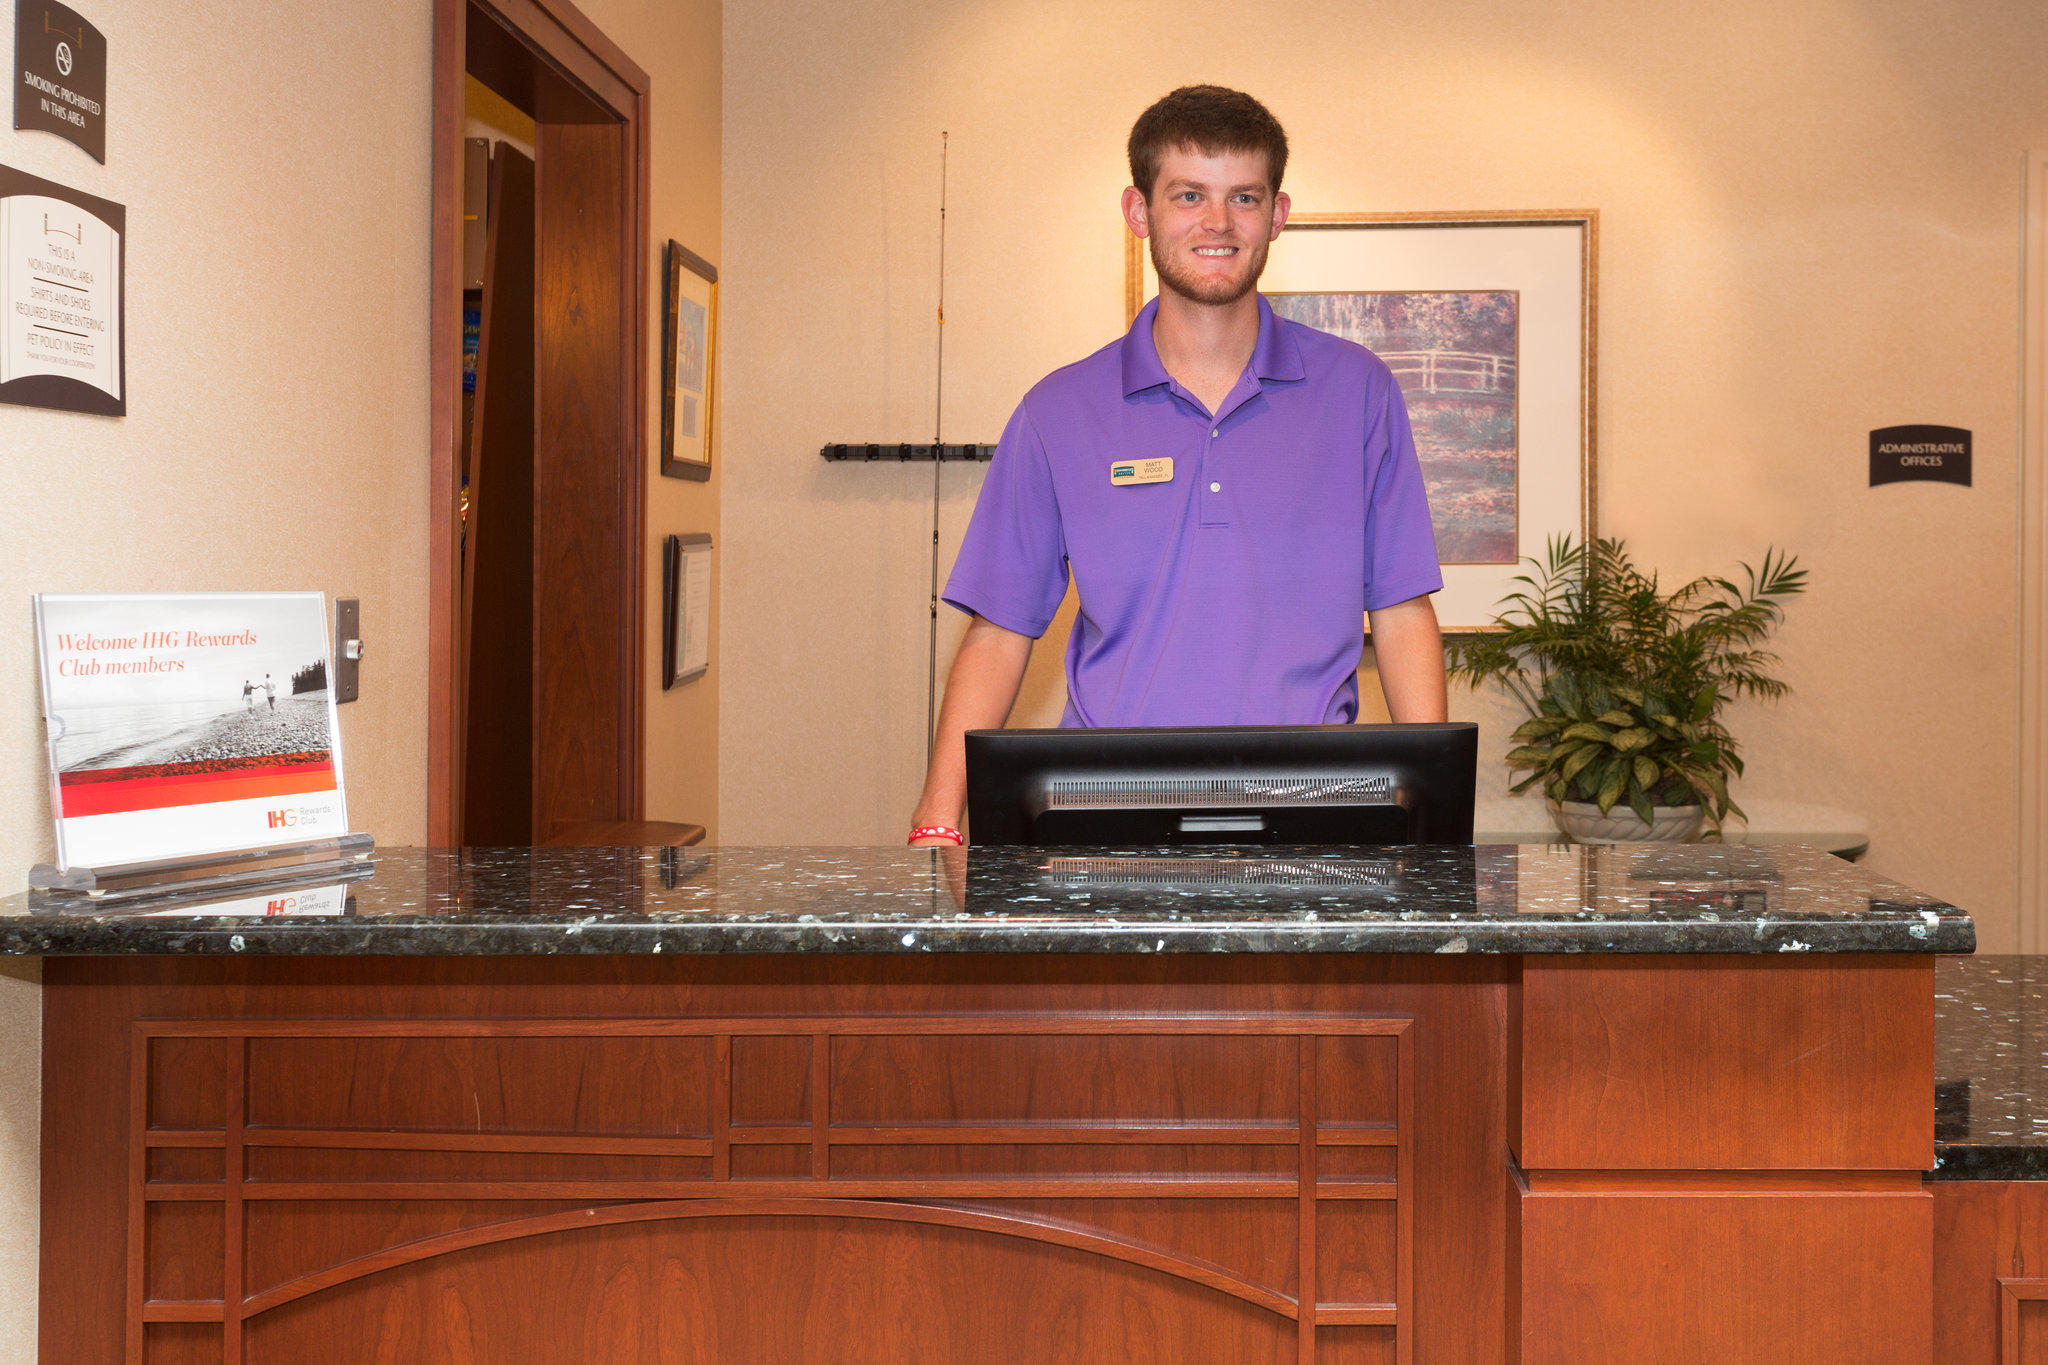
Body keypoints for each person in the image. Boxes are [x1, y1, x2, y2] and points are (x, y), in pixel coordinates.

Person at [906, 86, 1447, 849]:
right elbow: (998, 633)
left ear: (1277, 215)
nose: (1218, 222)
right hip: (1102, 818)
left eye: (1243, 197)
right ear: (1139, 211)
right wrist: (936, 820)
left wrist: (1436, 826)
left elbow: (1400, 612)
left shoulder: (1360, 392)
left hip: (1317, 814)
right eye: (1189, 195)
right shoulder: (1057, 410)